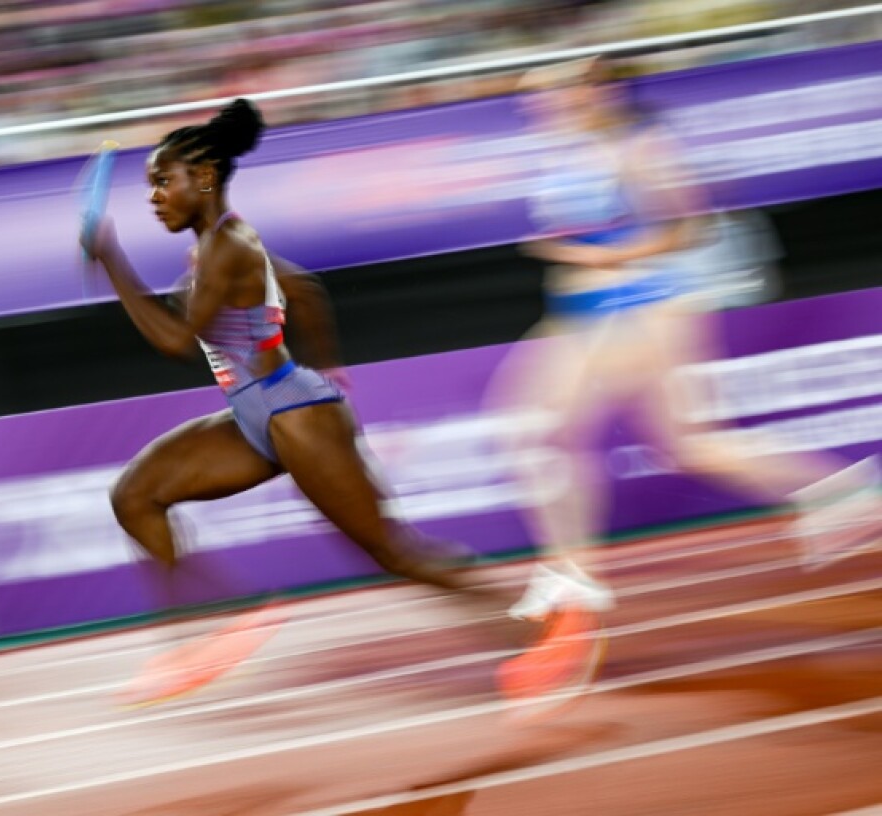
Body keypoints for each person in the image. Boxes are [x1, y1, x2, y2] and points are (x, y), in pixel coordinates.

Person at [80, 98, 604, 709]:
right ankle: (218, 621)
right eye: (149, 187)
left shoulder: (229, 247)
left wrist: (111, 258)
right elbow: (304, 289)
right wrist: (329, 365)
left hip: (294, 416)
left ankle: (549, 628)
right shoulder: (217, 247)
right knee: (135, 495)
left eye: (161, 182)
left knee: (393, 551)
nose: (152, 197)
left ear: (205, 178)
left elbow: (174, 340)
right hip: (260, 413)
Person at [488, 57, 879, 622]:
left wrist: (604, 255)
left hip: (640, 308)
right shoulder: (566, 149)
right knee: (687, 444)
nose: (533, 105)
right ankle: (842, 490)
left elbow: (690, 227)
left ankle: (573, 573)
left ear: (592, 95)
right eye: (530, 96)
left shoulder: (640, 147)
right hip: (584, 310)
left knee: (537, 427)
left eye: (545, 93)